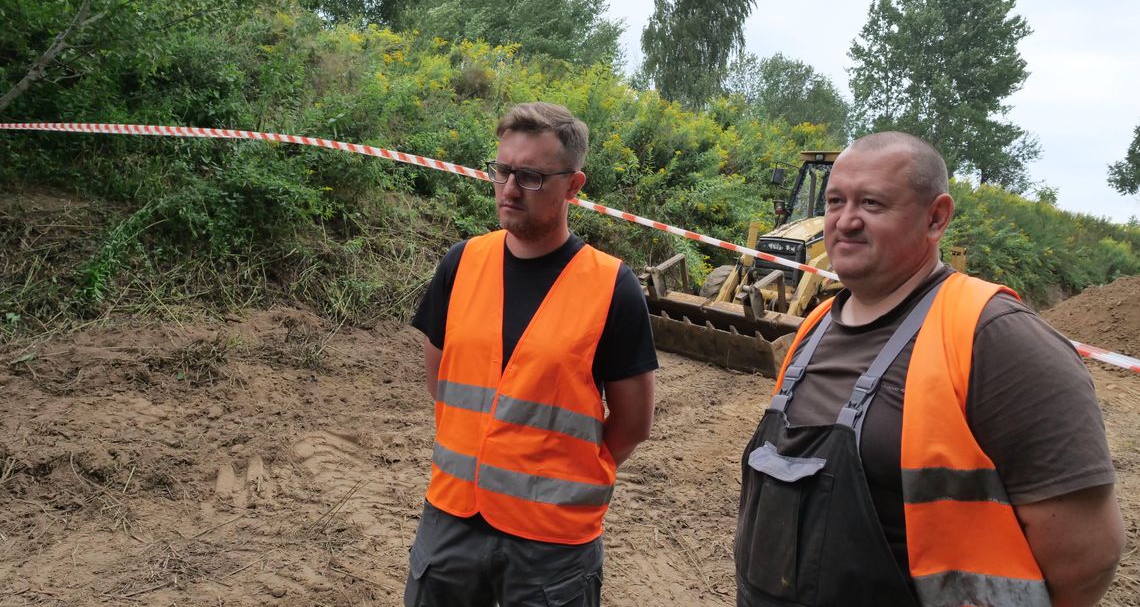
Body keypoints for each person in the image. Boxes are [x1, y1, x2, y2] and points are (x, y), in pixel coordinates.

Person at [735, 132, 1125, 607]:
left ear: (936, 217)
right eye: (836, 201)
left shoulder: (997, 339)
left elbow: (1086, 558)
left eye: (873, 204)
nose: (845, 221)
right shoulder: (817, 325)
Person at [405, 101, 658, 607]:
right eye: (502, 171)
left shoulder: (612, 287)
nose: (511, 189)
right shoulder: (462, 264)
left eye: (532, 176)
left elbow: (632, 424)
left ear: (574, 186)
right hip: (451, 518)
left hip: (553, 542)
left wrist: (559, 477)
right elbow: (441, 379)